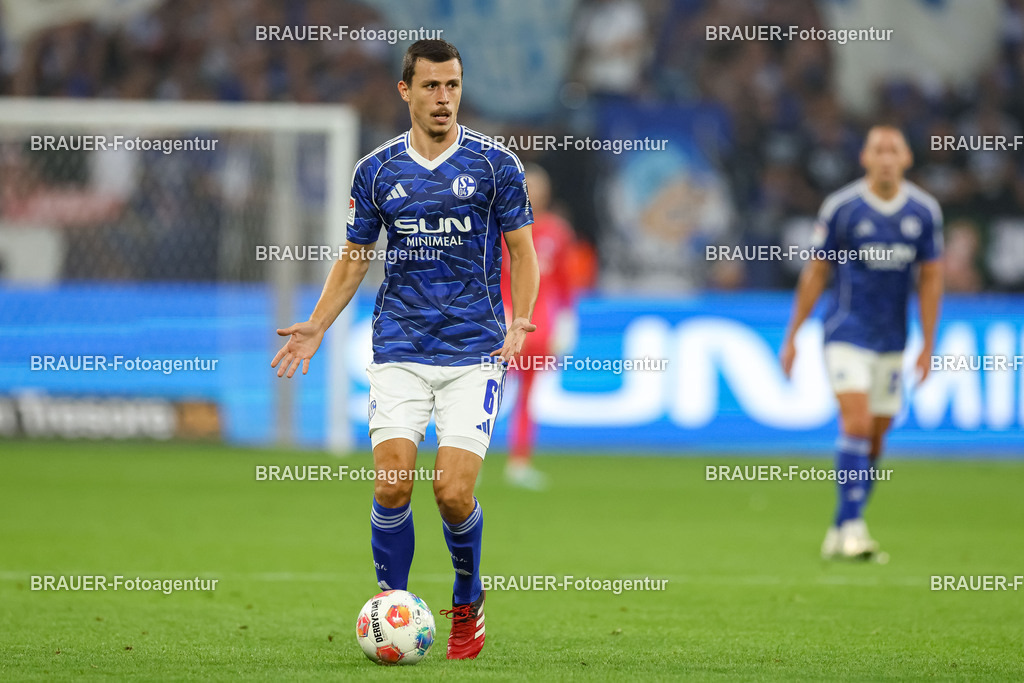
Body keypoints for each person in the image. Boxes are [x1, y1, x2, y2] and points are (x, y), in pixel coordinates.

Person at [271, 39, 539, 659]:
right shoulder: (376, 172)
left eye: (452, 86)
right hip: (398, 348)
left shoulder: (497, 166)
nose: (443, 98)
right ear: (405, 91)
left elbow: (523, 252)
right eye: (431, 87)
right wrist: (316, 324)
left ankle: (467, 599)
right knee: (392, 483)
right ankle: (394, 606)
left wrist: (520, 320)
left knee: (452, 492)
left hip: (475, 352)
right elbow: (352, 261)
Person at [780, 125, 943, 560]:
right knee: (855, 420)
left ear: (907, 159)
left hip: (893, 339)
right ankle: (854, 526)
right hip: (845, 331)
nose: (887, 157)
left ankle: (839, 525)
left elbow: (931, 278)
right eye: (878, 149)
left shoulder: (924, 212)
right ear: (865, 159)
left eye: (894, 150)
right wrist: (793, 334)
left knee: (875, 437)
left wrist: (929, 343)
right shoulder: (843, 208)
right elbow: (816, 272)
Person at [500, 163, 578, 490]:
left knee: (527, 397)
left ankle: (519, 461)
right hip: (502, 321)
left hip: (539, 326)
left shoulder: (557, 232)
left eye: (538, 188)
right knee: (476, 392)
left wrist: (566, 321)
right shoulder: (501, 227)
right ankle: (459, 460)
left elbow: (564, 281)